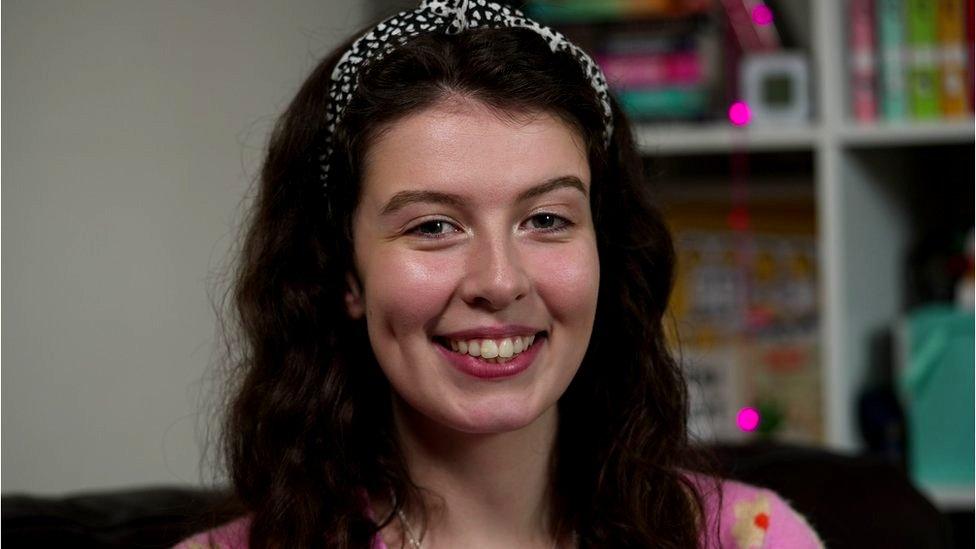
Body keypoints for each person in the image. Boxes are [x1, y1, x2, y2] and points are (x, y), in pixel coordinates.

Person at [178, 1, 824, 547]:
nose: (499, 279)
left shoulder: (751, 536)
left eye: (546, 218)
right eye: (433, 226)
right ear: (343, 273)